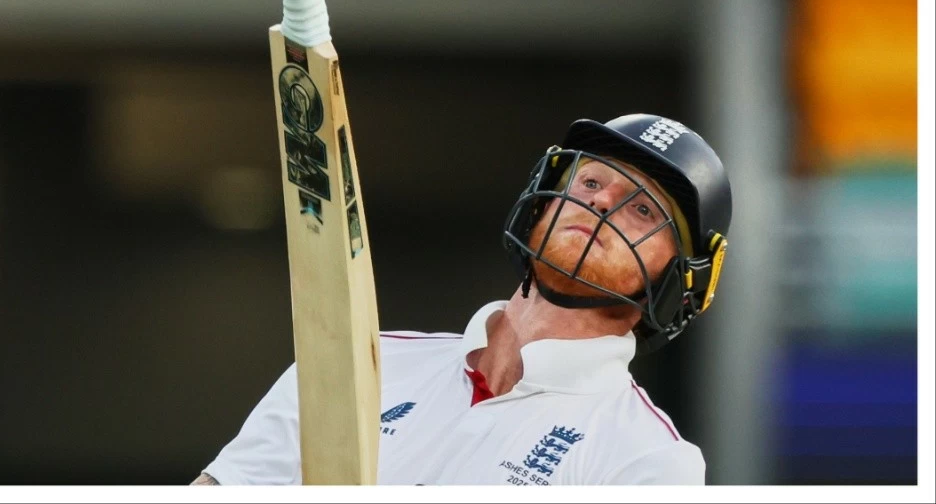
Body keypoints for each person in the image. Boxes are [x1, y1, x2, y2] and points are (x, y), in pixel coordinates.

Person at [192, 113, 732, 486]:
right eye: (590, 181)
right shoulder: (356, 362)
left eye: (642, 209)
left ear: (681, 279)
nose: (601, 202)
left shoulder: (647, 461)